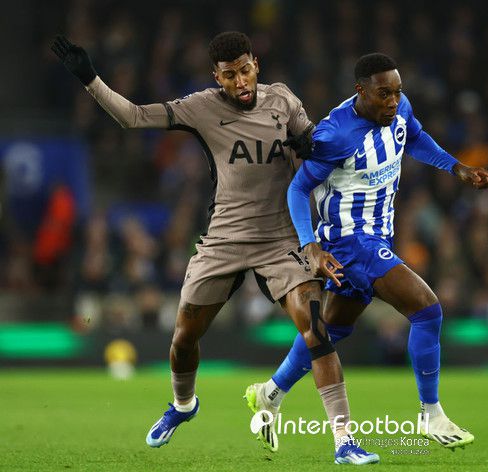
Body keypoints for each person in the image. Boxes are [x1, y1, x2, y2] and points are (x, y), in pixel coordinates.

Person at [51, 32, 379, 465]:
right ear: (216, 77)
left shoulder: (283, 100)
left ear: (256, 65)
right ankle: (183, 404)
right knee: (184, 337)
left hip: (282, 239)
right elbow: (133, 116)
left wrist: (311, 147)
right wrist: (90, 79)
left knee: (316, 331)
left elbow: (319, 149)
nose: (240, 82)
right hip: (225, 239)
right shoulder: (201, 107)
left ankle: (343, 441)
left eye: (244, 71)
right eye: (229, 75)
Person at [247, 53, 488, 451]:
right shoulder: (334, 134)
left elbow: (413, 136)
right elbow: (297, 188)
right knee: (427, 310)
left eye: (397, 92)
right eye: (384, 94)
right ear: (360, 91)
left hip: (378, 237)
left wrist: (456, 167)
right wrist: (310, 245)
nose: (393, 101)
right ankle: (430, 414)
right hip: (350, 242)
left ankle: (270, 394)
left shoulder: (399, 107)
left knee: (332, 330)